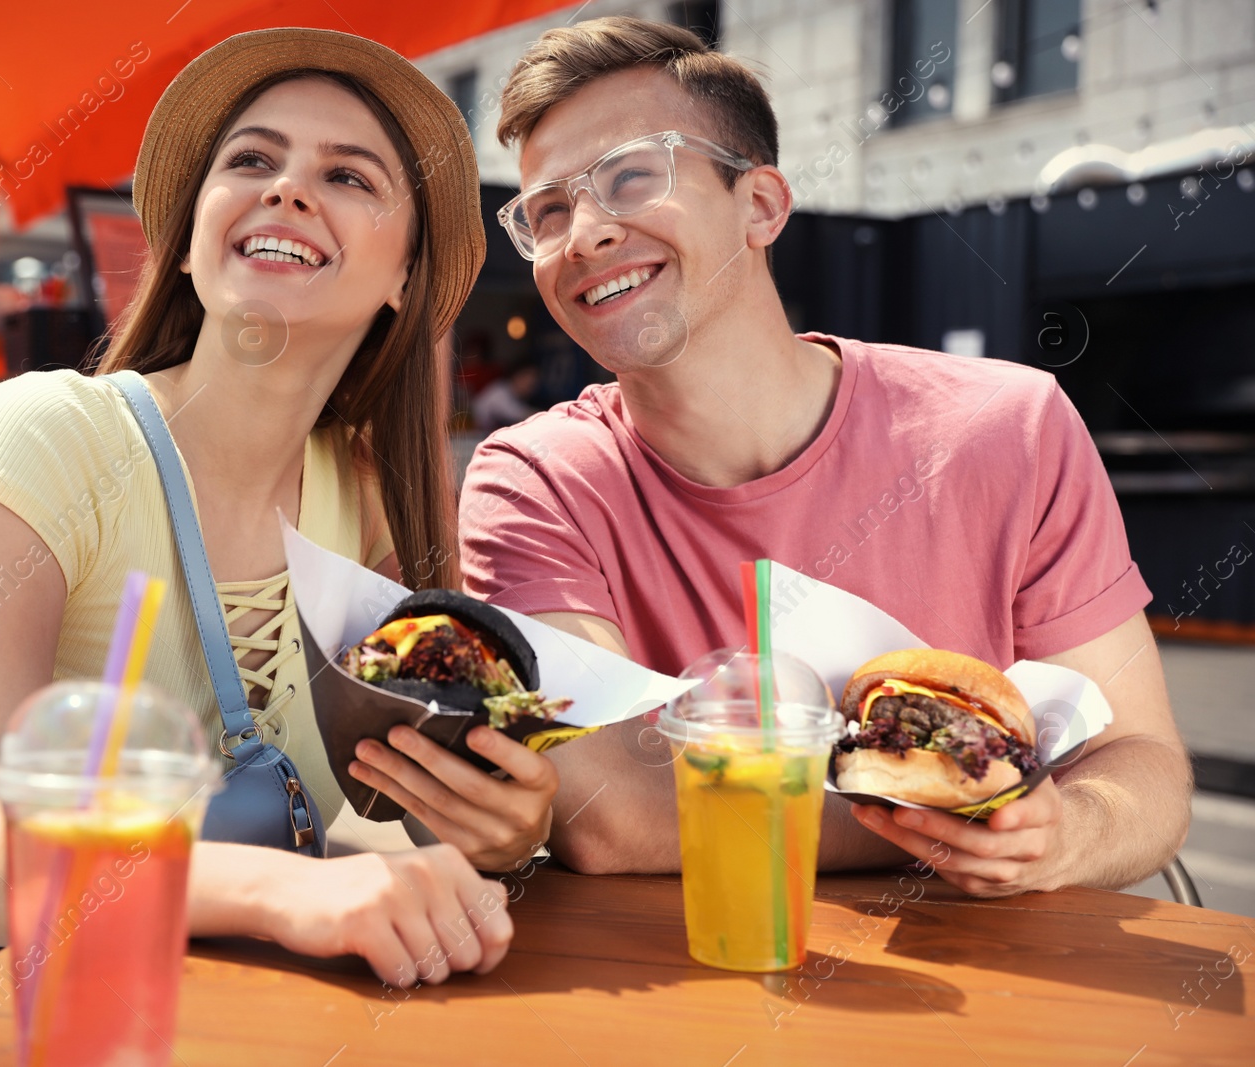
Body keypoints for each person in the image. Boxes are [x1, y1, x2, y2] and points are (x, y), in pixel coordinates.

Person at [0, 28, 530, 1067]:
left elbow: (362, 830)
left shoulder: (374, 497)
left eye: (345, 174)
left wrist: (486, 828)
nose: (287, 188)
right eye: (250, 160)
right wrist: (292, 889)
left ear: (402, 274)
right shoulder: (51, 432)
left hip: (225, 1014)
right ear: (188, 241)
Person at [455, 17, 1191, 898]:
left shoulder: (1011, 425)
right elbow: (606, 808)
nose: (583, 233)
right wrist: (948, 804)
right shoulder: (533, 481)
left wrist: (1066, 830)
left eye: (630, 177)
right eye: (547, 211)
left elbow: (1139, 762)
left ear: (761, 204)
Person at [471, 358, 541, 433]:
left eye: (533, 383)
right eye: (527, 378)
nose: (530, 384)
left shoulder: (517, 397)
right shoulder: (499, 390)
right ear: (516, 376)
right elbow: (517, 414)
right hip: (470, 435)